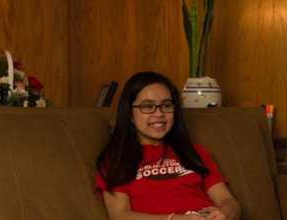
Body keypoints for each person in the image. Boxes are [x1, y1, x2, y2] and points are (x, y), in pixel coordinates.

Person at [95, 71, 239, 220]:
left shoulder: (194, 152)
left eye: (166, 105)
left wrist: (226, 211)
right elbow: (120, 216)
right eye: (148, 106)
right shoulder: (116, 159)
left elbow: (227, 200)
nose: (159, 114)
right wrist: (175, 219)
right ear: (130, 113)